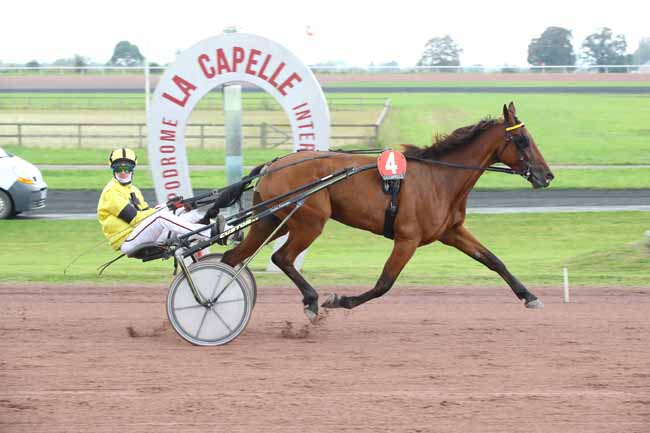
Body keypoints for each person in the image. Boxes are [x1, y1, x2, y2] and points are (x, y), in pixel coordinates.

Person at [97, 148, 221, 256]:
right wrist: (166, 207)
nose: (123, 172)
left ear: (133, 168)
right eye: (119, 168)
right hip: (127, 241)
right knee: (162, 217)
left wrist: (173, 206)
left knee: (186, 213)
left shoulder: (133, 190)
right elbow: (135, 219)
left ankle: (227, 230)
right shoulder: (111, 192)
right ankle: (209, 233)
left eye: (127, 168)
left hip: (139, 233)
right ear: (113, 169)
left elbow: (146, 213)